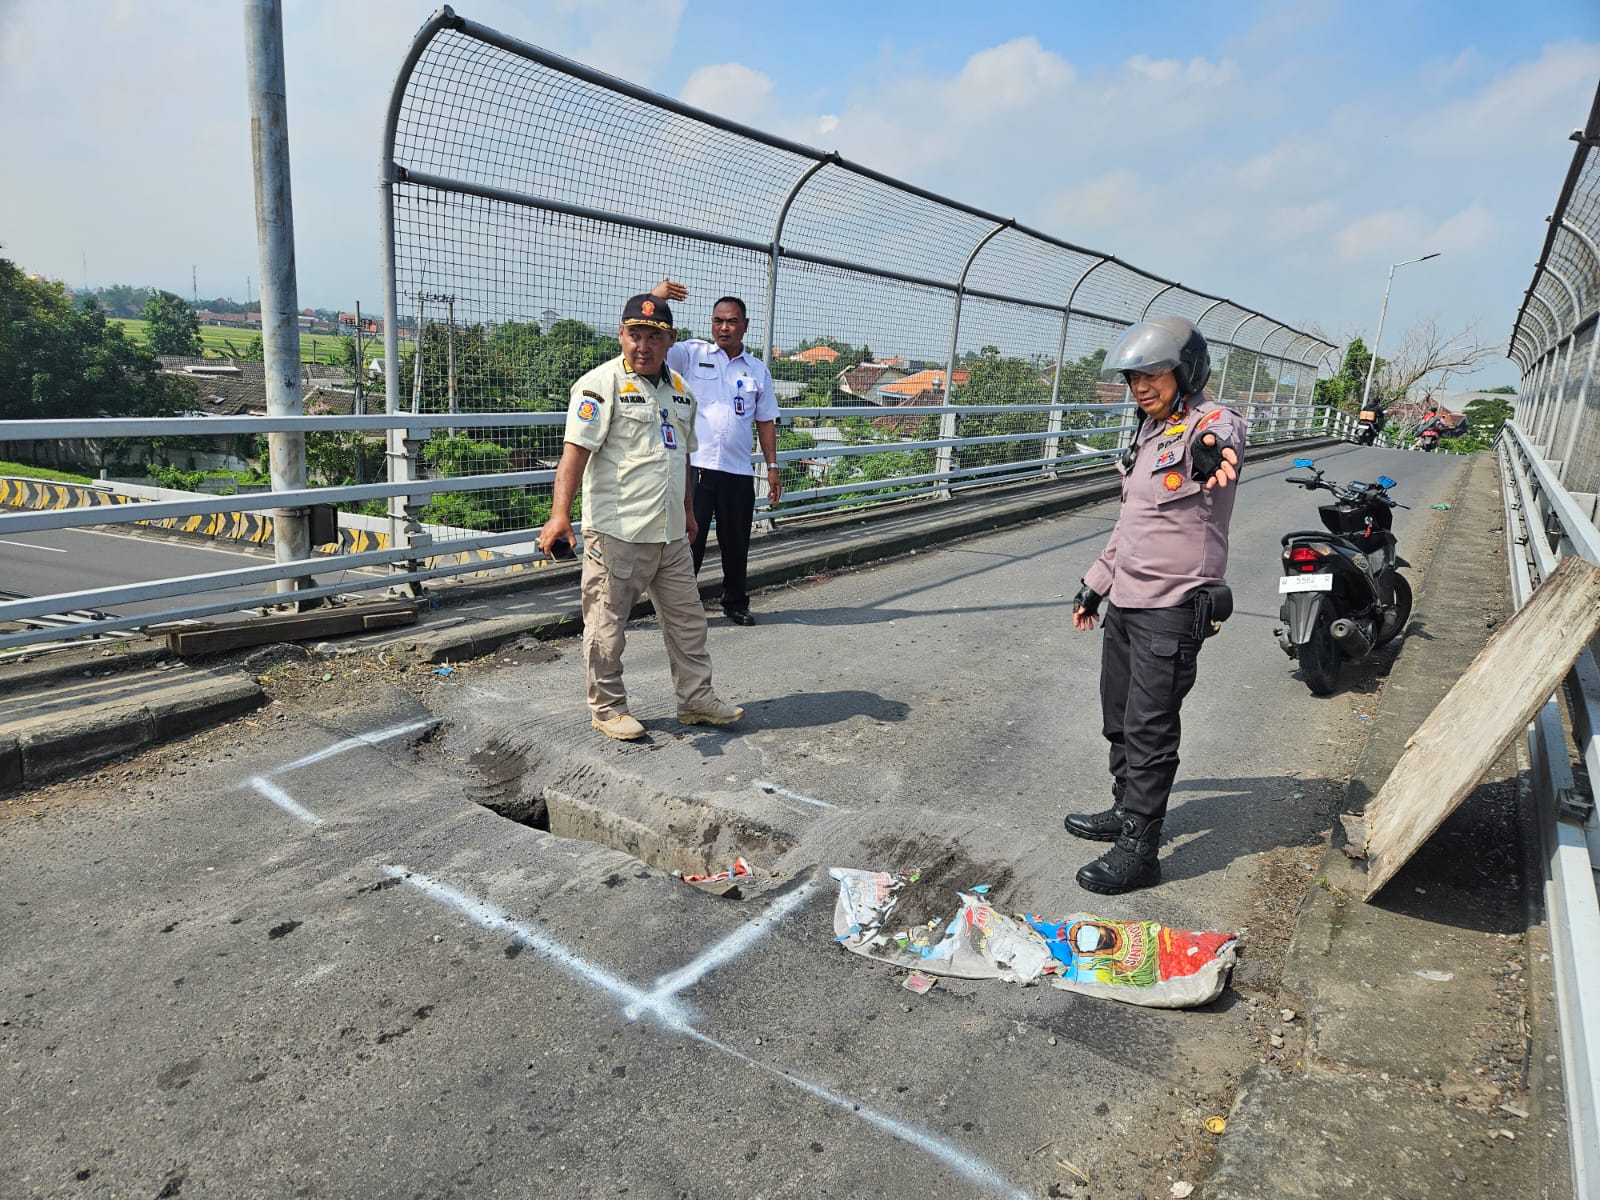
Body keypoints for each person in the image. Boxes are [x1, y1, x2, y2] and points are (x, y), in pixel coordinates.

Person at [1062, 316, 1246, 895]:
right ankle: (1125, 808)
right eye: (1133, 378)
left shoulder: (1210, 424)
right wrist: (1096, 582)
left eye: (1153, 375)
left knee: (1150, 725)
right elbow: (1132, 522)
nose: (1140, 387)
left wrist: (1213, 454)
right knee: (1118, 714)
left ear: (1185, 372)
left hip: (1173, 604)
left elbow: (1220, 442)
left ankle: (1141, 850)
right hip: (1126, 599)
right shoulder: (1148, 432)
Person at [537, 293, 743, 741]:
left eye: (654, 337)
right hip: (618, 531)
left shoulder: (681, 391)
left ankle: (696, 700)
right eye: (635, 335)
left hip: (670, 533)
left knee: (689, 622)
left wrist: (688, 513)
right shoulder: (599, 385)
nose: (643, 346)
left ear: (670, 341)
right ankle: (608, 708)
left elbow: (681, 457)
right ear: (621, 335)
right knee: (607, 626)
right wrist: (559, 516)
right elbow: (575, 454)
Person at [650, 278, 780, 626]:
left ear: (745, 325)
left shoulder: (757, 371)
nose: (724, 327)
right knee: (687, 543)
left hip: (738, 471)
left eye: (732, 321)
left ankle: (735, 603)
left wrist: (772, 466)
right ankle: (681, 609)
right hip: (696, 469)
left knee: (736, 544)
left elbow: (765, 421)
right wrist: (655, 300)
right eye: (718, 321)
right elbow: (651, 342)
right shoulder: (691, 355)